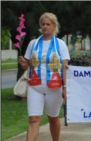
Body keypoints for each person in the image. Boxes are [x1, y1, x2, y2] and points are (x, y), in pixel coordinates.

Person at [18, 12, 70, 141]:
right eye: (43, 24)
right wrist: (24, 64)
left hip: (55, 87)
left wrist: (65, 87)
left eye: (48, 24)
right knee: (34, 119)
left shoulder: (60, 44)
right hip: (35, 86)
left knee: (53, 118)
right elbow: (27, 67)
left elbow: (65, 67)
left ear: (54, 26)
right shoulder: (33, 44)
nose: (45, 27)